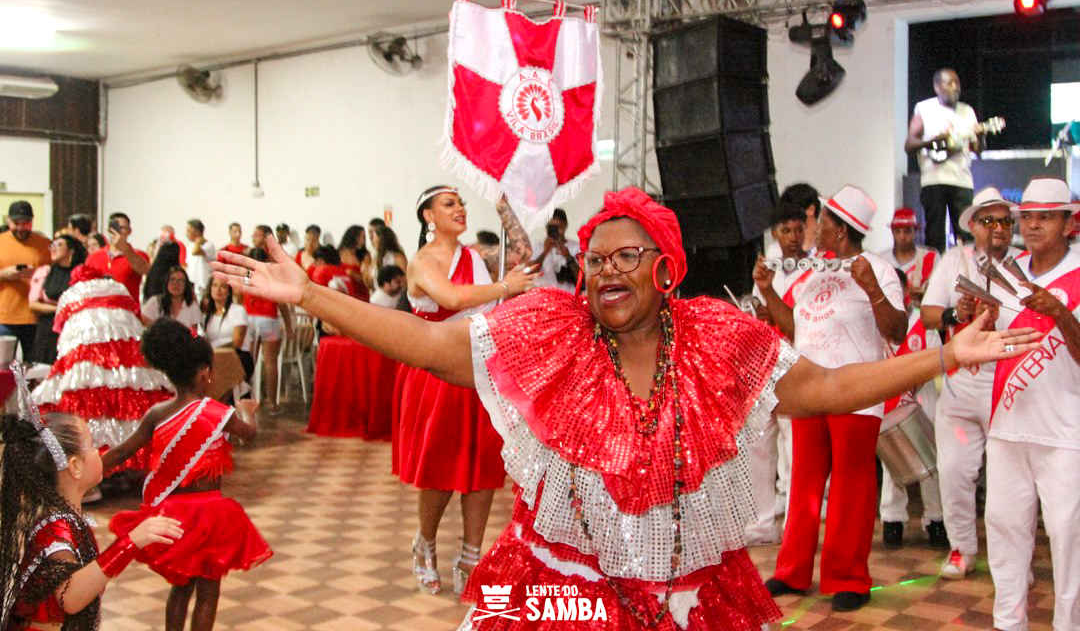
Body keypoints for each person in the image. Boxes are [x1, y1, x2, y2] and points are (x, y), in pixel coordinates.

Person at [212, 186, 1035, 629]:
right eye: (595, 258)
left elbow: (820, 389)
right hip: (564, 598)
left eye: (626, 255)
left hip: (693, 599)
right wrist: (315, 298)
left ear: (665, 266)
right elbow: (424, 343)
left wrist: (940, 357)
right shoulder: (547, 336)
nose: (605, 270)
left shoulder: (719, 338)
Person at [756, 184, 907, 612]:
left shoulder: (877, 267)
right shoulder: (810, 272)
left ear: (840, 230)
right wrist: (768, 292)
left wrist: (872, 288)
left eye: (819, 221)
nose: (812, 228)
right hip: (809, 390)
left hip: (856, 391)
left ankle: (848, 578)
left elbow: (897, 330)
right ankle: (792, 571)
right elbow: (791, 327)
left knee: (851, 484)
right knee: (802, 482)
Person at [394, 186, 534, 596]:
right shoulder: (421, 262)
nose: (459, 209)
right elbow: (453, 296)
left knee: (481, 468)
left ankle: (472, 555)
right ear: (428, 216)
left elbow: (521, 252)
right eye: (449, 204)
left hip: (479, 369)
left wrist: (502, 202)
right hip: (436, 374)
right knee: (440, 469)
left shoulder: (476, 256)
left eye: (462, 202)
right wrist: (504, 288)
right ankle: (425, 543)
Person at [104, 319, 271, 631]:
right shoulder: (219, 413)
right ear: (205, 372)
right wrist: (248, 408)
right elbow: (250, 433)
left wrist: (84, 472)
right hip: (212, 515)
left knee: (180, 588)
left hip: (174, 516)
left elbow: (120, 452)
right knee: (209, 591)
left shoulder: (157, 413)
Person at [984, 177, 1080, 631]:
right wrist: (971, 318)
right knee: (1004, 534)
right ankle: (1008, 624)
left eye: (1046, 216)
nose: (1034, 225)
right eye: (1029, 217)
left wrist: (1059, 313)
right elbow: (986, 339)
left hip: (1065, 431)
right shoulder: (1005, 272)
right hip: (1006, 424)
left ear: (1069, 222)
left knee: (1069, 541)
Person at [0, 399, 183, 631]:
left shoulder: (63, 517)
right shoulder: (56, 526)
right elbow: (71, 597)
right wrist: (130, 543)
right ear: (75, 466)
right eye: (93, 445)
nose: (100, 450)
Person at [920, 186, 1019, 579]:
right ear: (973, 226)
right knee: (955, 470)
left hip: (1009, 385)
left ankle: (1008, 559)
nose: (998, 228)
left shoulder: (1024, 265)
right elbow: (927, 314)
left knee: (1007, 480)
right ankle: (961, 548)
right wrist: (952, 313)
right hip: (961, 385)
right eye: (990, 221)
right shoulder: (954, 260)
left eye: (1005, 221)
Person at [32, 265, 173, 479]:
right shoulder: (119, 289)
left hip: (85, 361)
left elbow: (61, 329)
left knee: (86, 408)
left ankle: (91, 473)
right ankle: (133, 468)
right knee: (133, 405)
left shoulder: (71, 294)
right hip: (128, 362)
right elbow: (136, 319)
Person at [746, 201, 807, 546]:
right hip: (767, 363)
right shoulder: (767, 266)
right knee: (758, 442)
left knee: (793, 447)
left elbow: (799, 324)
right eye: (786, 230)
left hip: (799, 365)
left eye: (799, 229)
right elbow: (762, 313)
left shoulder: (814, 270)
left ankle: (797, 525)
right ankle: (762, 522)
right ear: (775, 234)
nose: (794, 237)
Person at [878, 268, 946, 551]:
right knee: (892, 462)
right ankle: (892, 519)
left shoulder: (923, 321)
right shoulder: (875, 322)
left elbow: (935, 359)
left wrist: (909, 384)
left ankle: (935, 519)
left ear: (905, 291)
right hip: (887, 401)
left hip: (922, 397)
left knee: (932, 461)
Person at [905, 68, 983, 252]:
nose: (955, 87)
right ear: (937, 87)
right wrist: (933, 141)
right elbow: (909, 144)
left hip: (961, 180)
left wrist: (980, 135)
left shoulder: (967, 111)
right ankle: (935, 277)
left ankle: (967, 276)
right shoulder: (924, 108)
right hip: (934, 180)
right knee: (934, 236)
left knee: (965, 235)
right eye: (950, 83)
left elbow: (977, 149)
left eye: (957, 83)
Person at [245, 226, 292, 414]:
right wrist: (289, 326)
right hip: (268, 320)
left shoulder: (246, 276)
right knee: (271, 363)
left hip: (249, 319)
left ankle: (247, 401)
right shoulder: (271, 276)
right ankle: (272, 403)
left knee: (249, 363)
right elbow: (282, 304)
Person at [0, 200, 52, 358]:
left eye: (26, 223)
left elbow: (58, 276)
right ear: (8, 221)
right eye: (16, 223)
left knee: (34, 367)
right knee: (5, 367)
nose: (21, 227)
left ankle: (26, 385)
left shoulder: (45, 245)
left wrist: (38, 273)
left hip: (36, 317)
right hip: (4, 317)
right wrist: (4, 275)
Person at [28, 234, 87, 365]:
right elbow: (33, 305)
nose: (53, 249)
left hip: (74, 328)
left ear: (71, 250)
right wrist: (60, 309)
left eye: (59, 245)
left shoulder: (82, 272)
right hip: (48, 329)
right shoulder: (45, 272)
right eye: (52, 245)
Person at [85, 212, 150, 311]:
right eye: (115, 227)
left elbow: (144, 270)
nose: (118, 231)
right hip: (100, 312)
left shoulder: (138, 255)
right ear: (108, 230)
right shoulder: (94, 257)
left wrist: (125, 249)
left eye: (122, 228)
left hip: (128, 312)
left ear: (129, 231)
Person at [201, 275, 253, 382]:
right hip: (214, 358)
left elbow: (237, 342)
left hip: (237, 356)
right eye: (214, 286)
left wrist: (215, 351)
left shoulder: (238, 310)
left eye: (223, 287)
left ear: (229, 291)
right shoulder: (207, 315)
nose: (218, 290)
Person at [885, 207, 937, 306]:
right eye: (897, 231)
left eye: (907, 231)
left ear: (915, 231)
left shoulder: (931, 257)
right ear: (892, 231)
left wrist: (924, 294)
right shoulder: (882, 260)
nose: (902, 237)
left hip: (921, 318)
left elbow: (939, 291)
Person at [530, 208, 580, 293]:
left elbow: (581, 279)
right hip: (542, 296)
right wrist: (545, 252)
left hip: (568, 297)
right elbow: (529, 272)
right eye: (552, 228)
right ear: (546, 227)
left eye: (559, 227)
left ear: (565, 225)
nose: (556, 231)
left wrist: (568, 257)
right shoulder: (538, 246)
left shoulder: (575, 247)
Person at [185, 219, 216, 299]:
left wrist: (198, 241)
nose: (186, 234)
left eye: (188, 231)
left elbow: (196, 251)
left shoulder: (209, 245)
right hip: (191, 287)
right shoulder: (190, 246)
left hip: (203, 286)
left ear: (197, 232)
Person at [337, 224, 373, 293]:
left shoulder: (365, 255)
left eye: (364, 237)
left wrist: (353, 274)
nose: (362, 240)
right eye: (360, 237)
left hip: (360, 293)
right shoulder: (338, 253)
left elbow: (369, 281)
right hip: (343, 292)